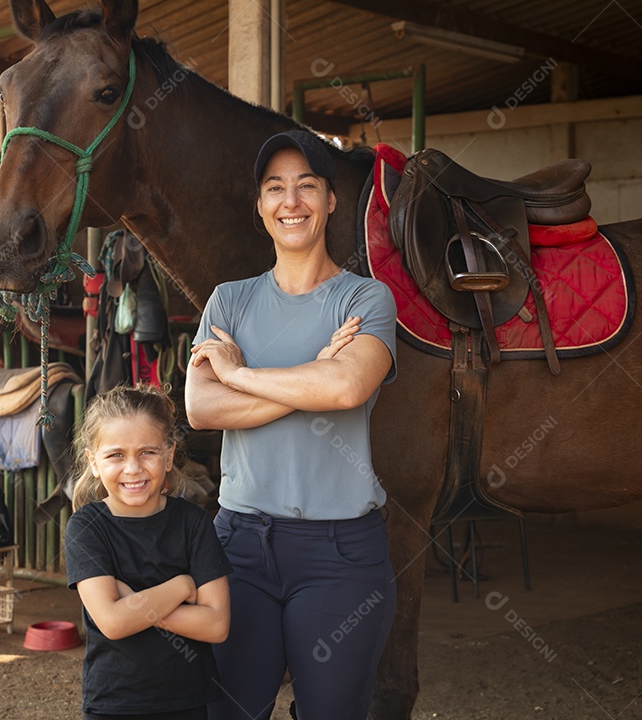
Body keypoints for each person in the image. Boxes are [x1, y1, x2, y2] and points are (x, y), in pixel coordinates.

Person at [186, 130, 398, 720]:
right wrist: (313, 375)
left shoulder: (367, 299)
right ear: (259, 206)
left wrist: (241, 373)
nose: (291, 201)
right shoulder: (227, 302)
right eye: (275, 188)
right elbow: (202, 408)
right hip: (240, 547)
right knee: (228, 712)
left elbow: (347, 386)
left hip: (340, 555)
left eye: (308, 186)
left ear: (332, 201)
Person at [65, 384, 232, 720]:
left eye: (147, 452)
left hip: (187, 701)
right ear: (93, 462)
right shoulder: (86, 527)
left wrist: (135, 605)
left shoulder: (193, 522)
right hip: (114, 703)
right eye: (116, 455)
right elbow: (112, 622)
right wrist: (182, 587)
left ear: (169, 455)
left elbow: (216, 625)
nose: (133, 469)